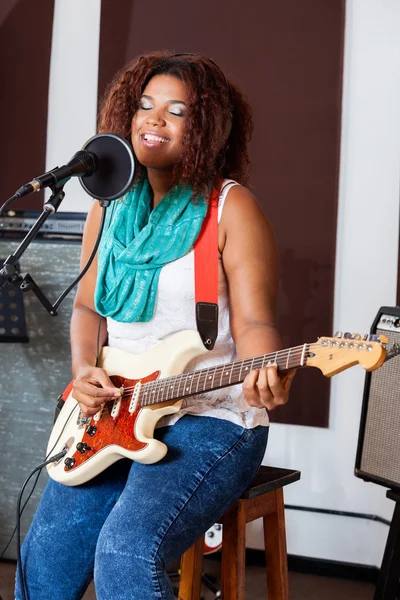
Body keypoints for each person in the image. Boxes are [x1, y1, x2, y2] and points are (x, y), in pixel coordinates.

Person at [15, 51, 295, 600]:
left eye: (177, 111)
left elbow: (257, 318)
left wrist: (268, 369)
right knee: (43, 564)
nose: (153, 120)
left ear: (208, 127)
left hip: (210, 415)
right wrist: (82, 369)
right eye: (144, 106)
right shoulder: (109, 206)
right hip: (115, 411)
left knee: (125, 552)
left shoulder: (231, 209)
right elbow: (89, 310)